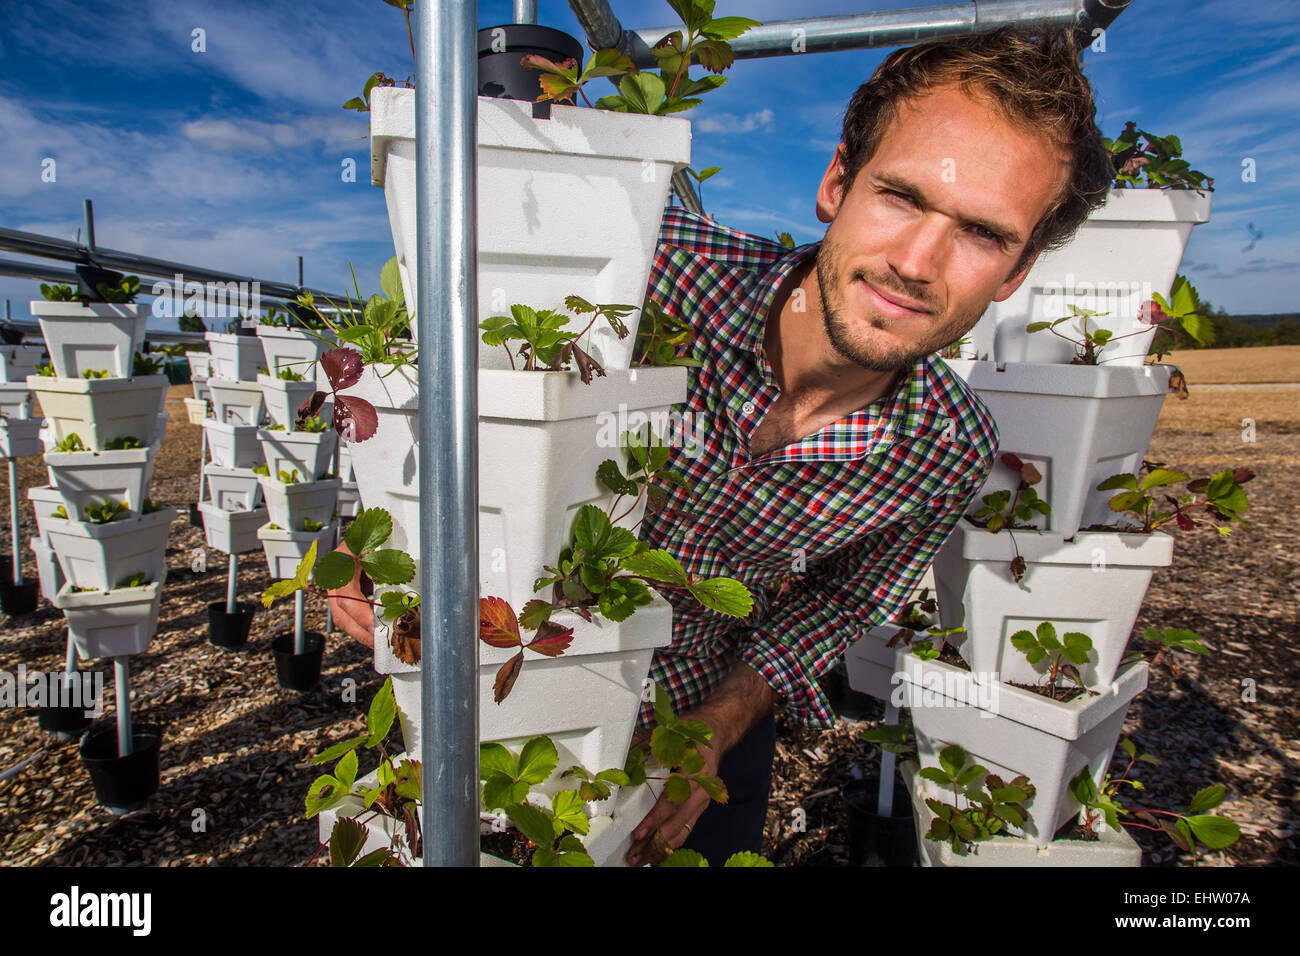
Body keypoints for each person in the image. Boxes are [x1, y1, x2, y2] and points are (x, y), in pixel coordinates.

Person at [327, 25, 1115, 866]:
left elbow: (842, 604)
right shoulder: (646, 273)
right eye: (901, 197)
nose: (917, 263)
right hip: (504, 684)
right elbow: (451, 380)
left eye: (983, 234)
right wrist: (383, 530)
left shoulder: (946, 449)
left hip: (700, 727)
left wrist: (719, 721)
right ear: (836, 182)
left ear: (1018, 271)